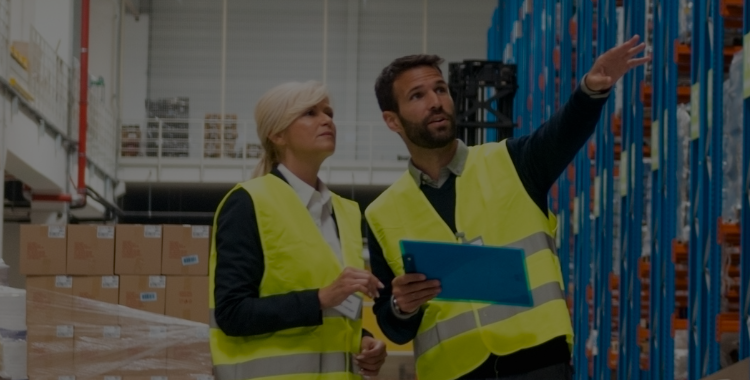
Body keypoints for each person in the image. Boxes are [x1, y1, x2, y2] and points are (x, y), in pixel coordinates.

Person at [365, 36, 650, 380]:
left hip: (537, 363)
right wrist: (401, 307)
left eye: (440, 90)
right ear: (392, 120)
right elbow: (392, 325)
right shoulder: (381, 213)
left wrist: (590, 91)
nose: (436, 102)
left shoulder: (512, 161)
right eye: (417, 96)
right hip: (454, 372)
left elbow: (563, 133)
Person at [209, 81, 389, 380]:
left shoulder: (344, 213)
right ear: (277, 134)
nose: (327, 119)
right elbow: (232, 313)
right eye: (310, 113)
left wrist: (363, 340)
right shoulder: (249, 203)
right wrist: (319, 298)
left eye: (328, 112)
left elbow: (335, 311)